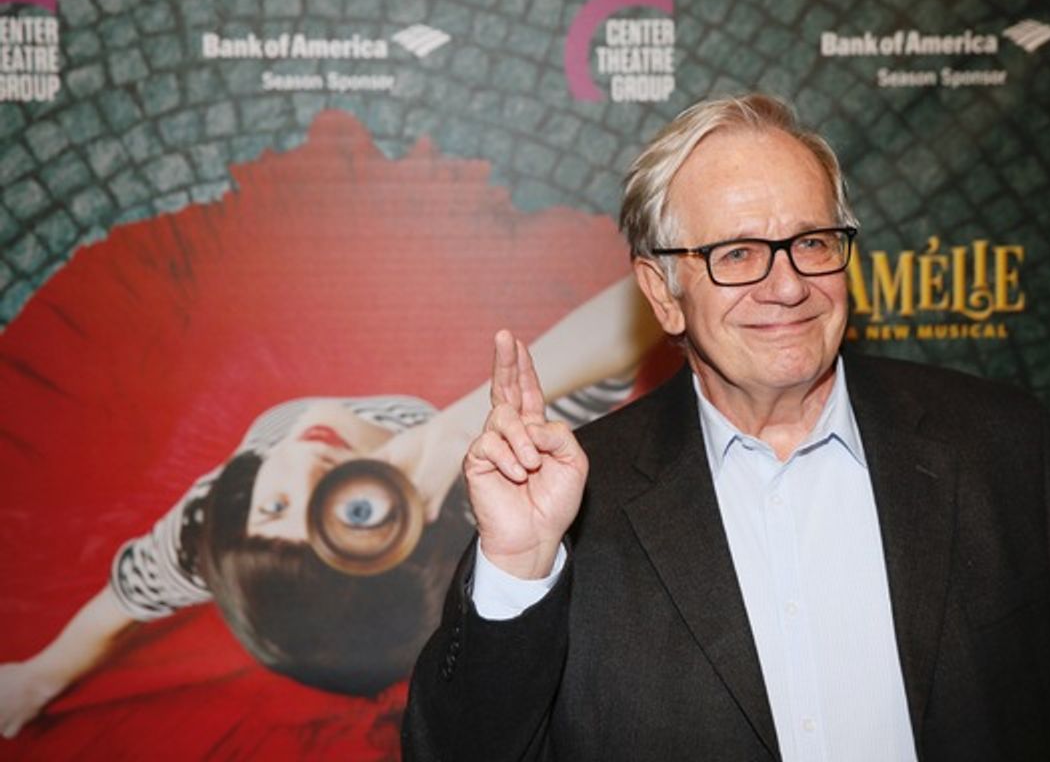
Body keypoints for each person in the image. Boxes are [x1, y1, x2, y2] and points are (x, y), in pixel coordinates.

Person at [401, 94, 1050, 761]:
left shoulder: (997, 445)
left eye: (814, 242)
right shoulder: (570, 504)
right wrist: (517, 569)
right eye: (737, 254)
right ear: (663, 293)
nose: (789, 284)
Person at [0, 275, 661, 740]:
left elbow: (124, 600)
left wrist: (36, 677)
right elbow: (651, 300)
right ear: (404, 534)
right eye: (347, 519)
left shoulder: (212, 522)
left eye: (277, 503)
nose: (309, 469)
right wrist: (458, 430)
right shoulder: (491, 490)